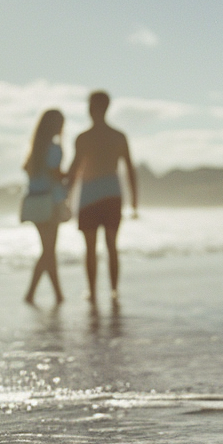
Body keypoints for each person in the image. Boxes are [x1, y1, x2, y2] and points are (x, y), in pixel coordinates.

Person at [67, 91, 138, 302]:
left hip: (90, 196)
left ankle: (93, 292)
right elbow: (130, 169)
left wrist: (66, 198)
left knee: (91, 247)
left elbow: (74, 169)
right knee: (110, 245)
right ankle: (113, 291)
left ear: (92, 108)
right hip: (111, 195)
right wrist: (134, 202)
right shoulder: (118, 136)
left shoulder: (84, 137)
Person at [21, 108, 68, 305]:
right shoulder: (54, 149)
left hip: (33, 202)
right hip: (50, 203)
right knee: (49, 251)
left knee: (47, 250)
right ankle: (36, 294)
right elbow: (56, 176)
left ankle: (54, 294)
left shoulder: (35, 151)